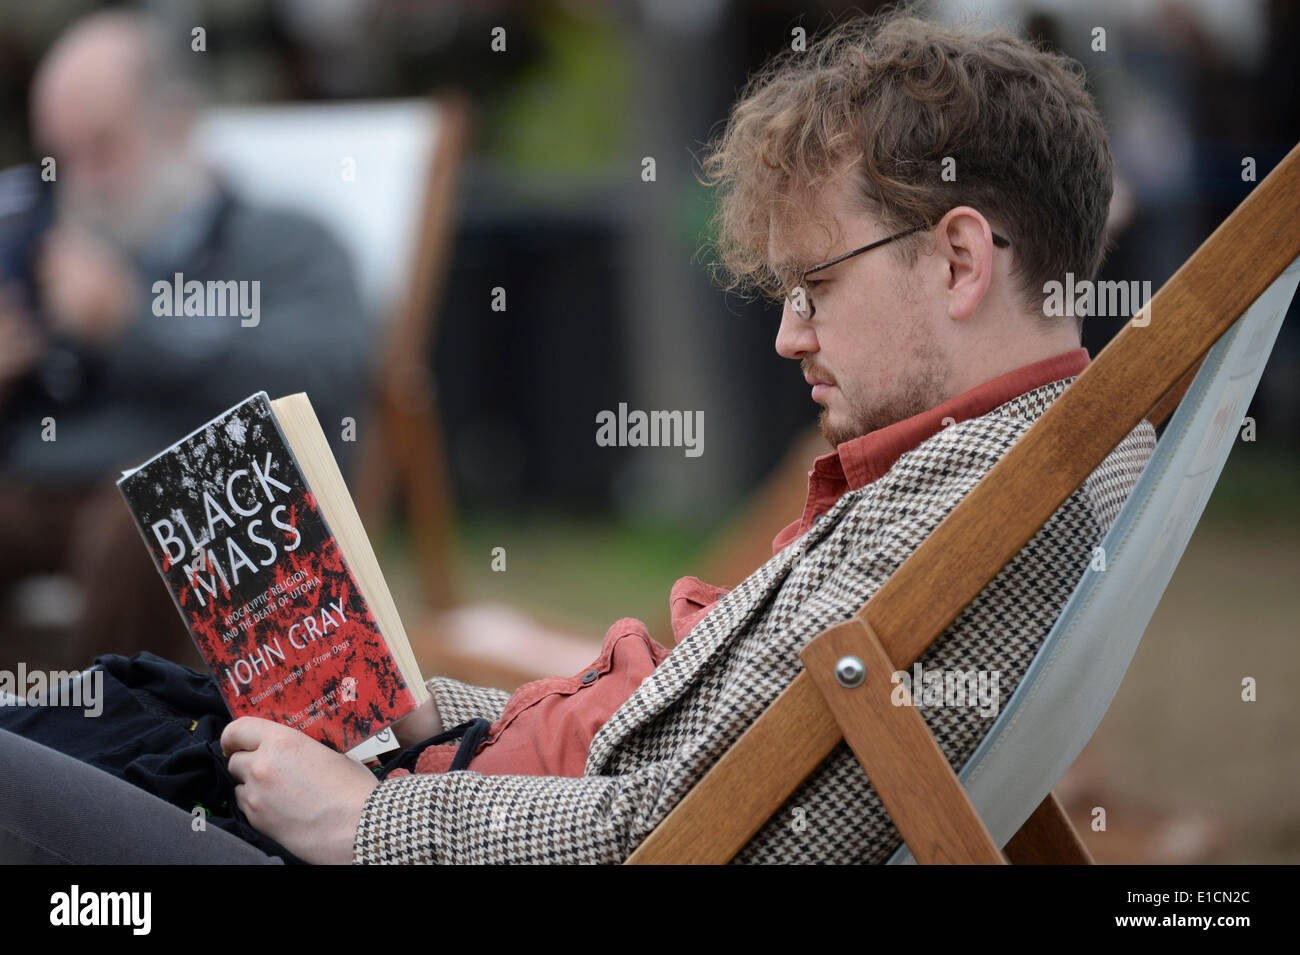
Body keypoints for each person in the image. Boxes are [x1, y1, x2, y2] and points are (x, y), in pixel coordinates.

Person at [0, 11, 1155, 865]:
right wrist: (422, 708)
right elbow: (661, 744)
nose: (787, 337)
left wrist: (366, 821)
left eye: (813, 285)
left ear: (959, 259)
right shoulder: (1028, 465)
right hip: (426, 778)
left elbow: (679, 833)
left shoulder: (966, 511)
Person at [0, 9, 370, 670]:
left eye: (103, 148)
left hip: (197, 502)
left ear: (174, 122)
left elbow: (321, 381)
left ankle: (101, 755)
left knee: (154, 510)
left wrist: (132, 325)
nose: (77, 184)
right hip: (43, 481)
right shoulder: (27, 244)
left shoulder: (287, 242)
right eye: (59, 157)